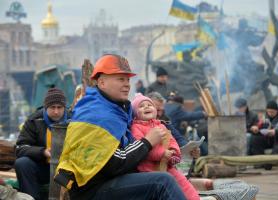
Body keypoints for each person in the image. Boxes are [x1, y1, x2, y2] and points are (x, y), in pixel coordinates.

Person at [55, 54, 187, 200]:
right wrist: (147, 142)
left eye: (128, 79)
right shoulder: (95, 114)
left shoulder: (117, 109)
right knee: (163, 182)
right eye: (120, 79)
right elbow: (114, 163)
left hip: (111, 182)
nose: (127, 84)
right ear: (102, 82)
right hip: (92, 190)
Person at [131, 93, 200, 200]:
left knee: (184, 183)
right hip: (149, 168)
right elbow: (141, 147)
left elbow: (174, 140)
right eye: (141, 106)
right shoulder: (136, 128)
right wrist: (162, 153)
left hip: (167, 165)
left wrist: (177, 152)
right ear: (135, 113)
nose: (146, 107)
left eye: (150, 105)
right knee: (168, 185)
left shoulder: (162, 124)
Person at [15, 88, 69, 200]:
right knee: (22, 163)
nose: (56, 111)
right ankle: (31, 198)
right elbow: (20, 147)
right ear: (45, 107)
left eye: (59, 107)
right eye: (52, 107)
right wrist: (42, 152)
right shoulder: (34, 120)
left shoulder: (74, 119)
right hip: (44, 167)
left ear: (64, 107)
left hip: (69, 167)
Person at [147, 92, 201, 158]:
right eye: (157, 110)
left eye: (161, 110)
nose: (159, 114)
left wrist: (190, 148)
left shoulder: (164, 119)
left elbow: (178, 138)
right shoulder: (138, 123)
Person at [250, 100, 278, 169]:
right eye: (268, 111)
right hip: (270, 138)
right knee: (255, 139)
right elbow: (260, 124)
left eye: (272, 112)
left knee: (273, 155)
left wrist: (275, 132)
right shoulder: (266, 116)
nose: (270, 113)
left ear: (277, 110)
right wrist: (255, 128)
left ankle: (268, 163)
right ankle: (260, 162)